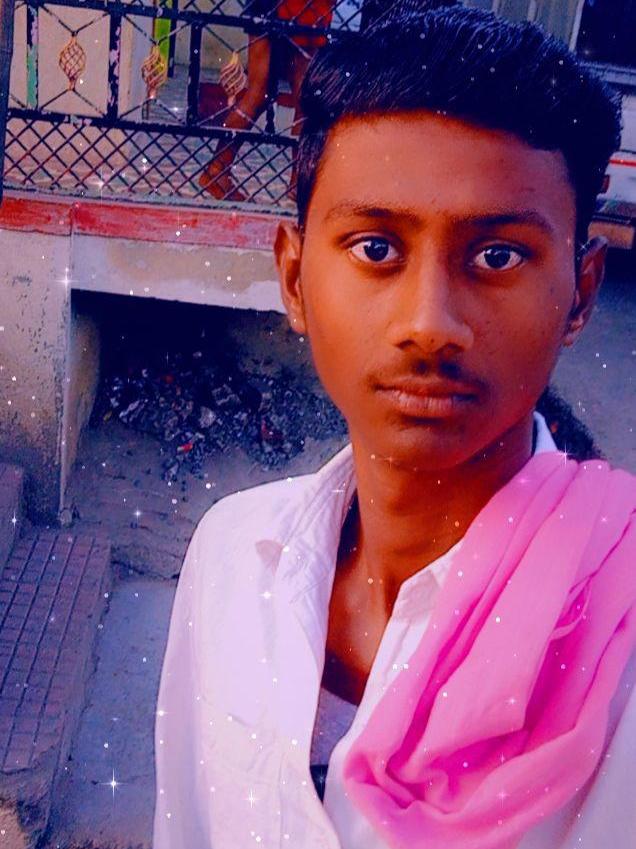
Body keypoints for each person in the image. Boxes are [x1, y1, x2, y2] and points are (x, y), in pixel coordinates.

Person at [155, 5, 636, 848]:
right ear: (295, 279)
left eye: (497, 256)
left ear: (581, 293)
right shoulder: (231, 555)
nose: (429, 324)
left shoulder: (619, 642)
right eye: (376, 248)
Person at [199, 0, 333, 202]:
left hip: (268, 6)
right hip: (303, 8)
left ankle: (217, 170)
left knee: (259, 93)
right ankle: (297, 184)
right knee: (303, 98)